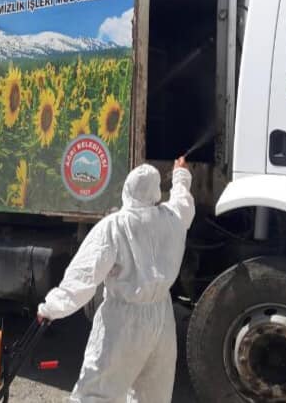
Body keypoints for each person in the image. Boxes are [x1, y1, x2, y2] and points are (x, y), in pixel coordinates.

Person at [37, 157, 195, 403]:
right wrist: (181, 175)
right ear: (155, 191)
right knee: (152, 395)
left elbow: (84, 276)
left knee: (98, 392)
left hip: (123, 322)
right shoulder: (172, 219)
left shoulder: (115, 226)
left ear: (127, 189)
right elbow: (183, 202)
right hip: (162, 321)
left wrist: (51, 309)